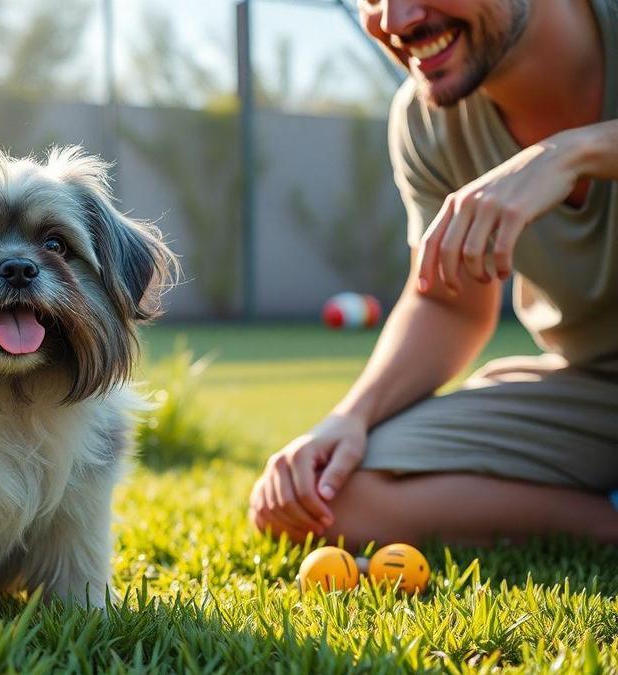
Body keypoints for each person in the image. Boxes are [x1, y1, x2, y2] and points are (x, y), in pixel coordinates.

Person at [249, 0, 618, 547]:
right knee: (339, 500)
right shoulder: (426, 121)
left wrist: (571, 154)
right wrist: (349, 418)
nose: (396, 21)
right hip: (595, 388)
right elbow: (450, 303)